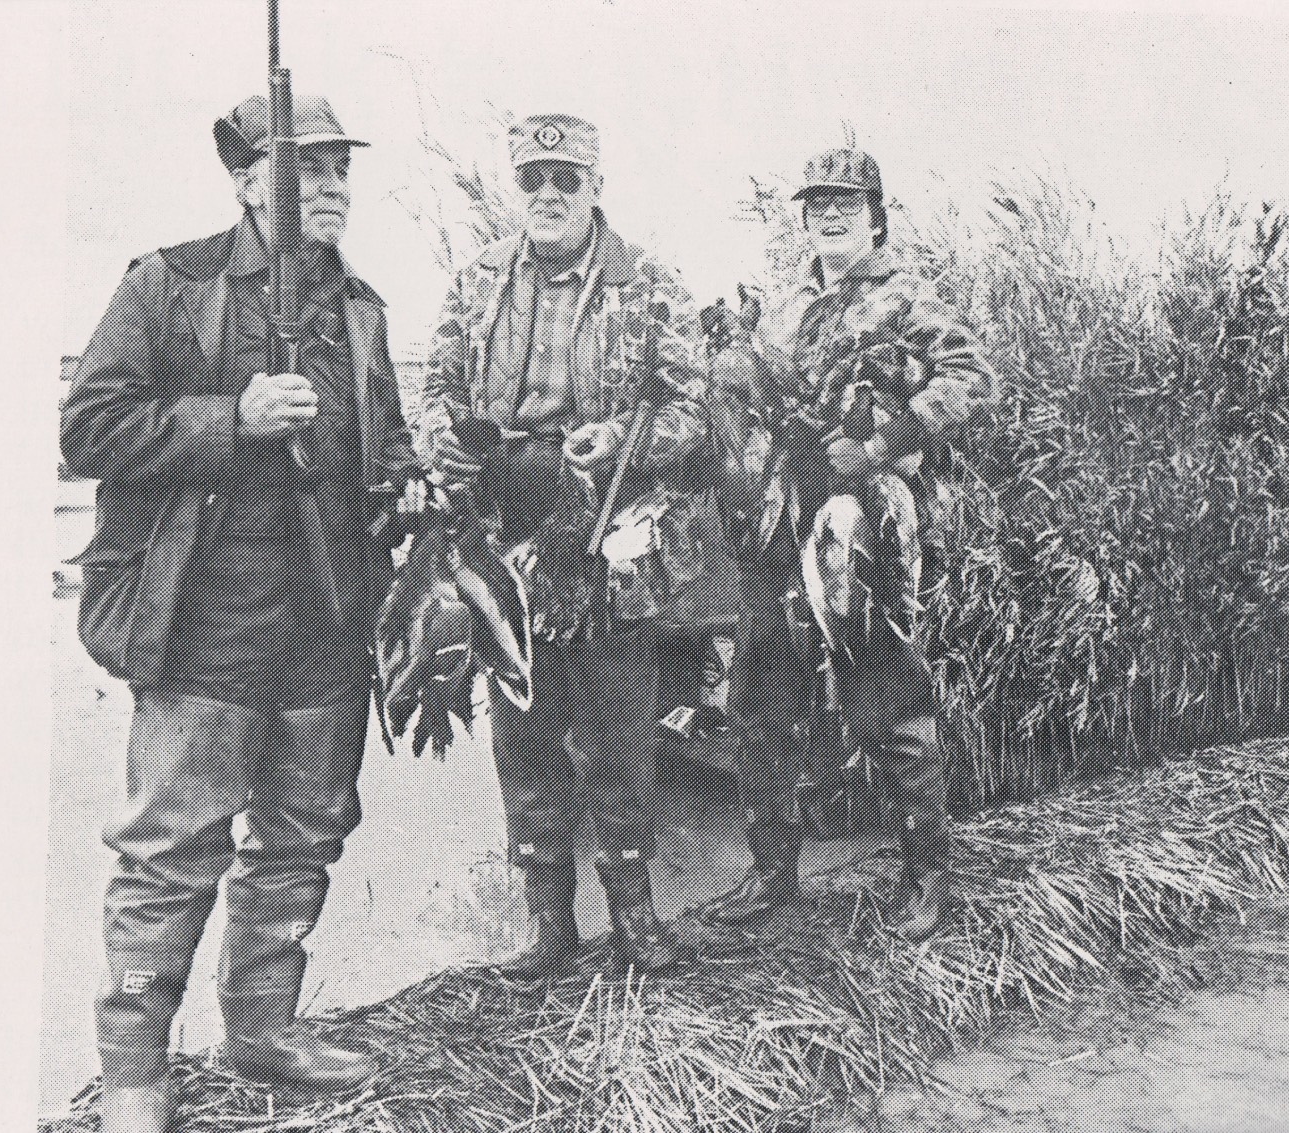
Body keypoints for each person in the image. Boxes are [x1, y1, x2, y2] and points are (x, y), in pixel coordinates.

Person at [60, 95, 420, 1133]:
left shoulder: (361, 307)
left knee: (304, 829)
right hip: (204, 609)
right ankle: (133, 1070)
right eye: (308, 169)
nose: (333, 187)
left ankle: (263, 1027)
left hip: (327, 608)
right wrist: (234, 418)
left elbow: (381, 438)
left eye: (343, 170)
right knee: (170, 845)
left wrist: (406, 478)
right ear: (246, 181)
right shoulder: (166, 284)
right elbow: (90, 425)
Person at [422, 114, 732, 980]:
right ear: (518, 189)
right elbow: (435, 390)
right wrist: (442, 442)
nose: (549, 195)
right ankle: (545, 921)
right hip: (502, 525)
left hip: (606, 527)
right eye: (534, 181)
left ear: (596, 185)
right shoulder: (477, 278)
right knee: (522, 724)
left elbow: (692, 412)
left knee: (618, 727)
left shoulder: (648, 281)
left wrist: (624, 440)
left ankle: (635, 917)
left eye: (567, 179)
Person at [699, 147, 996, 941]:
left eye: (845, 202)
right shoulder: (788, 297)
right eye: (817, 203)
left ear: (875, 213)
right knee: (761, 699)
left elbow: (971, 375)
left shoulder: (906, 292)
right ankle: (772, 873)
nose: (829, 214)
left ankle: (927, 876)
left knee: (886, 701)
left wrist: (881, 442)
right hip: (780, 516)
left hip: (857, 515)